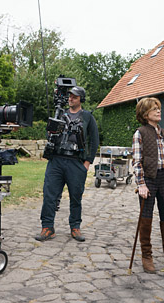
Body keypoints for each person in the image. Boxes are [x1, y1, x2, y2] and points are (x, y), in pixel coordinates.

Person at [35, 86, 99, 242]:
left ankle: (75, 227)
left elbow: (94, 140)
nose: (71, 99)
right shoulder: (60, 114)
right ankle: (47, 227)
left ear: (81, 99)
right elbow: (48, 133)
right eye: (70, 96)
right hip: (56, 160)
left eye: (75, 97)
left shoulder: (87, 117)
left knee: (76, 197)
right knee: (49, 195)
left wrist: (87, 162)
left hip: (76, 162)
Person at [131, 97, 164, 273]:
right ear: (145, 114)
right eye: (154, 109)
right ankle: (147, 257)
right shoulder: (140, 133)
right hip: (148, 180)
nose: (158, 111)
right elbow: (137, 161)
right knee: (146, 218)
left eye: (159, 108)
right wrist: (141, 184)